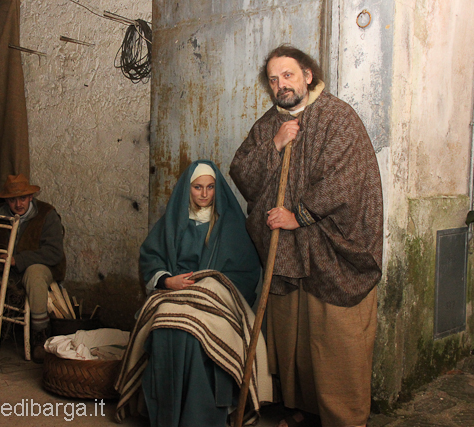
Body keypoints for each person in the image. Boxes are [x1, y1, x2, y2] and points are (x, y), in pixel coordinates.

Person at [230, 45, 383, 427]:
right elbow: (242, 173)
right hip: (287, 255)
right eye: (273, 79)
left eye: (288, 75)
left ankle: (345, 419)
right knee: (294, 344)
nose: (280, 84)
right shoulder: (269, 124)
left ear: (308, 76)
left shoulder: (337, 117)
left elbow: (346, 178)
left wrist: (299, 215)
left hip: (331, 256)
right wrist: (275, 144)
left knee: (336, 344)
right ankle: (302, 410)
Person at [115, 161, 272, 427]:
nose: (204, 194)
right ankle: (166, 416)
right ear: (188, 189)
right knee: (165, 326)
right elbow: (151, 257)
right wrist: (167, 281)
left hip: (216, 298)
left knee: (196, 333)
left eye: (210, 187)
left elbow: (244, 272)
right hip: (176, 293)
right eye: (198, 187)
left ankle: (200, 418)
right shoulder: (173, 221)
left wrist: (209, 287)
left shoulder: (231, 224)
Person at [0, 174, 66, 363]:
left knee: (34, 273)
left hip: (37, 267)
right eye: (12, 200)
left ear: (30, 197)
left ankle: (39, 336)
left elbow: (53, 252)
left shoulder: (46, 214)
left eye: (22, 198)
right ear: (6, 200)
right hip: (3, 270)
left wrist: (18, 260)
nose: (18, 204)